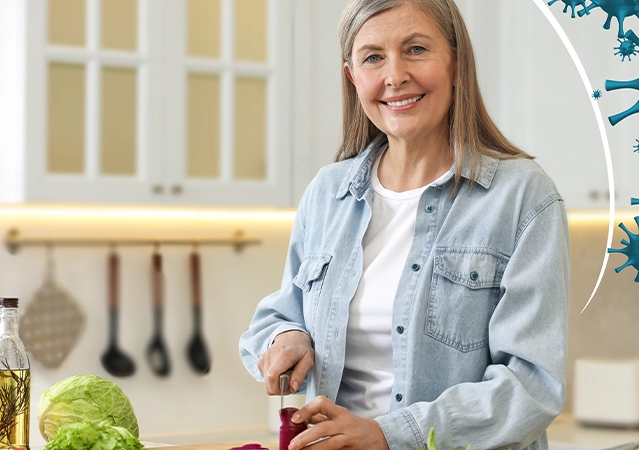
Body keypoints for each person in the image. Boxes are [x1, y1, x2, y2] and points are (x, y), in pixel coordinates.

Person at [239, 0, 570, 448]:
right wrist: (287, 336)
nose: (394, 76)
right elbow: (281, 313)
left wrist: (388, 435)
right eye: (373, 57)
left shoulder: (522, 197)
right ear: (352, 77)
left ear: (456, 63)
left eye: (416, 49)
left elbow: (532, 386)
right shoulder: (328, 193)